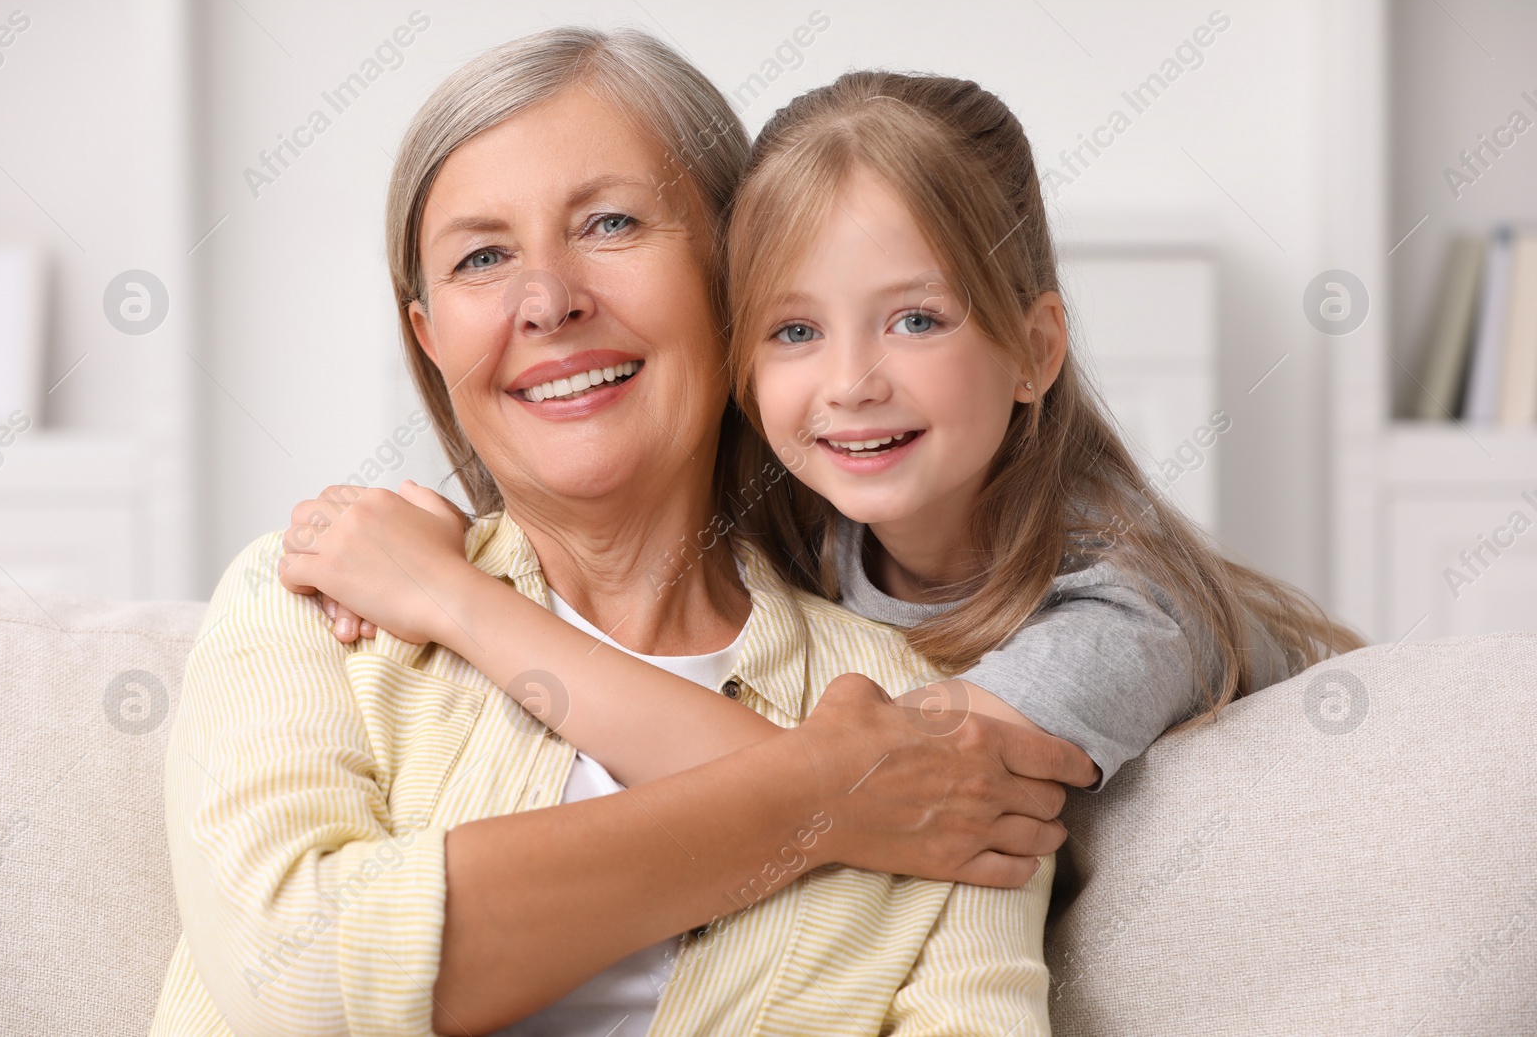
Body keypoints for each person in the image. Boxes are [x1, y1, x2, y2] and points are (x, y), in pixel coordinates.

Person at [289, 69, 1367, 1030]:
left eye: (916, 320)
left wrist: (459, 603)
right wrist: (440, 523)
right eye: (795, 331)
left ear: (1033, 349)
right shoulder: (809, 522)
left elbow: (896, 790)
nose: (851, 381)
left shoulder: (1122, 608)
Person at [151, 30, 1095, 1037]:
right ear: (430, 339)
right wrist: (820, 790)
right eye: (482, 256)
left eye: (609, 223)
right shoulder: (313, 601)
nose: (549, 301)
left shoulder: (925, 728)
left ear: (735, 273)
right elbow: (299, 979)